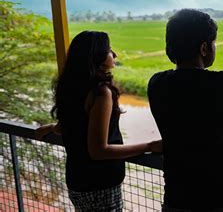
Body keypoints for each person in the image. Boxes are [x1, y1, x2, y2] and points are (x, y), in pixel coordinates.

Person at [36, 31, 162, 211]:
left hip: (77, 180)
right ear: (97, 57)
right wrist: (149, 146)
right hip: (100, 185)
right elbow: (98, 150)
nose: (114, 54)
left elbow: (78, 124)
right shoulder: (101, 93)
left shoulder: (71, 87)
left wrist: (53, 128)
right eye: (109, 50)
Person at [148, 9, 223, 211]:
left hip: (177, 199)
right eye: (213, 43)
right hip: (220, 199)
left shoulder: (157, 83)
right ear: (204, 48)